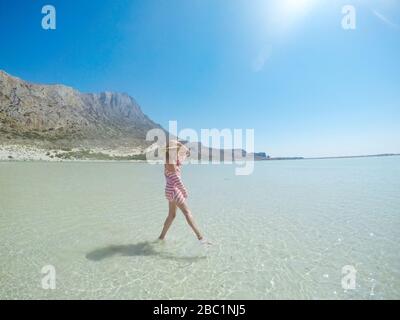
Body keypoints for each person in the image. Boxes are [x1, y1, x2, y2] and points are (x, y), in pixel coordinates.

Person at [158, 140, 211, 245]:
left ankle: (161, 238)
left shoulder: (172, 159)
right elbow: (175, 178)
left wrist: (183, 148)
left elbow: (185, 154)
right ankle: (201, 239)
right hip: (174, 189)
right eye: (176, 149)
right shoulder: (170, 161)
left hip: (169, 190)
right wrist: (184, 190)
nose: (178, 150)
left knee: (172, 215)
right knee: (187, 212)